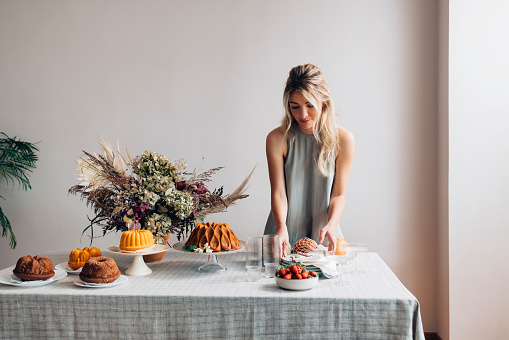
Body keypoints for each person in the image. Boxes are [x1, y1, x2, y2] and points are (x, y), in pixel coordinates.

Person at [264, 63, 355, 258]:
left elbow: (339, 195)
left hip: (325, 233)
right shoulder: (277, 138)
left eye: (310, 106)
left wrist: (332, 224)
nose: (302, 115)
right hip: (283, 234)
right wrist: (281, 228)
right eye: (294, 107)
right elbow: (279, 193)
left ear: (324, 102)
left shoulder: (344, 140)